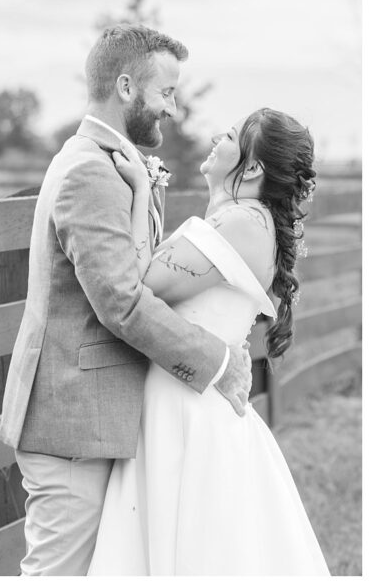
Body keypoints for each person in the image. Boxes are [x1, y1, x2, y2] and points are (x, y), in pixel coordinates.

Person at [0, 24, 252, 575]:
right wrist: (219, 363)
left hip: (94, 417)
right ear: (126, 87)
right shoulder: (91, 170)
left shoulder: (112, 163)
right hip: (71, 421)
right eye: (166, 93)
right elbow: (123, 303)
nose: (173, 109)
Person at [88, 108, 328, 575]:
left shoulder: (240, 223)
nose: (218, 136)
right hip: (187, 396)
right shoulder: (242, 219)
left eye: (232, 135)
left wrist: (140, 191)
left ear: (254, 167)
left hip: (186, 411)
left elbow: (138, 286)